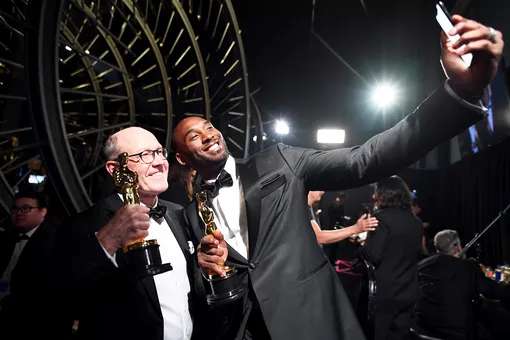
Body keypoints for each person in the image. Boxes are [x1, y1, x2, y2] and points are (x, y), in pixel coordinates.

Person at [172, 17, 503, 340]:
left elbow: (366, 159)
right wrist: (206, 270)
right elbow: (203, 286)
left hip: (312, 318)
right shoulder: (190, 214)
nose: (207, 134)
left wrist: (459, 94)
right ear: (183, 158)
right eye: (193, 136)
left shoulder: (278, 160)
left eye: (208, 126)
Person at [52, 127, 197, 340]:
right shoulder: (84, 224)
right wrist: (108, 239)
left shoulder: (178, 214)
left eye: (159, 152)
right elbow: (61, 299)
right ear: (114, 169)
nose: (159, 162)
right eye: (144, 155)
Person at [414, 230, 510, 340]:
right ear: (458, 247)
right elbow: (492, 291)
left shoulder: (422, 265)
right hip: (457, 332)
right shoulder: (469, 268)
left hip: (424, 329)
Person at [359, 176, 424, 340]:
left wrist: (360, 247)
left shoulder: (380, 218)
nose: (374, 196)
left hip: (385, 295)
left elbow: (372, 256)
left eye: (376, 192)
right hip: (409, 291)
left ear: (385, 194)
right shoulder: (416, 222)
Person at [0, 190, 57, 339]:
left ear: (43, 211)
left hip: (30, 322)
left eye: (26, 208)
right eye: (15, 209)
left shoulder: (55, 241)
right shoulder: (6, 238)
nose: (19, 213)